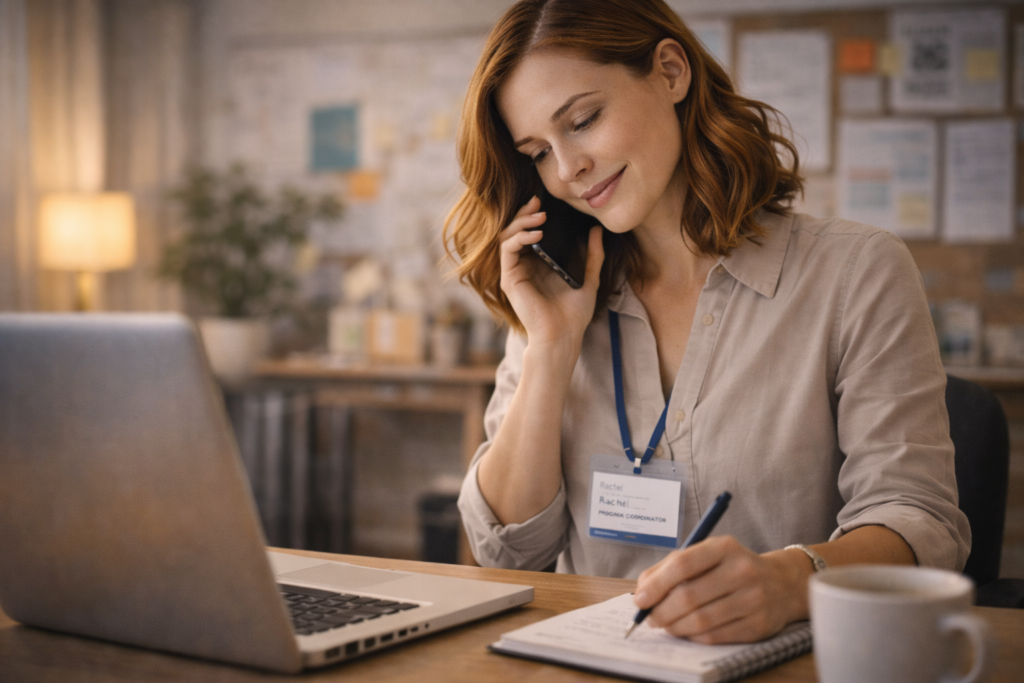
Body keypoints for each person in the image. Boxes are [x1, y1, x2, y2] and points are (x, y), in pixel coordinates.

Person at [443, 0, 969, 645]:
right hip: (595, 662)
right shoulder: (556, 293)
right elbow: (505, 552)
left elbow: (920, 522)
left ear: (670, 72)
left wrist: (789, 583)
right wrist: (551, 347)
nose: (567, 168)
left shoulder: (856, 272)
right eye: (538, 152)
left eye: (582, 121)